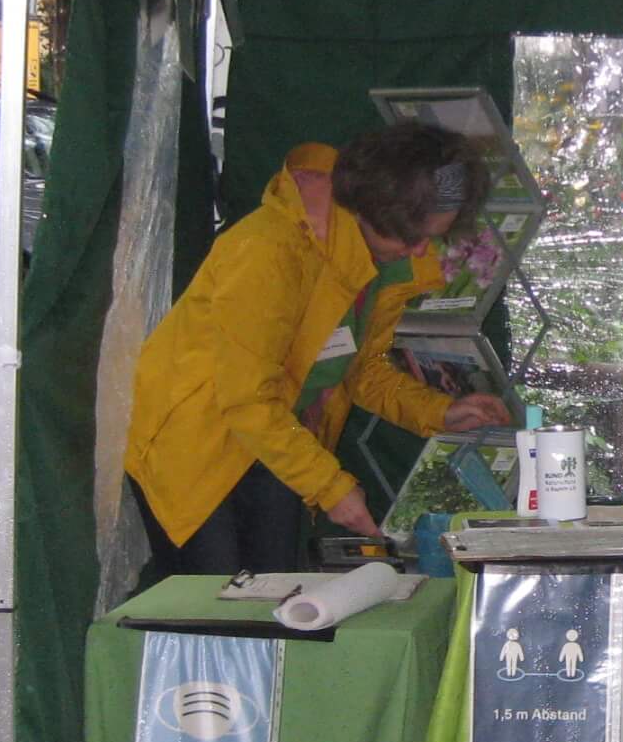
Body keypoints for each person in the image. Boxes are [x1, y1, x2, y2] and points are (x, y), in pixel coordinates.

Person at [124, 122, 510, 575]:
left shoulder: (384, 255)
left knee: (276, 596)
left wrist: (442, 412)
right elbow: (247, 400)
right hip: (196, 446)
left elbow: (359, 370)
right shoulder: (266, 250)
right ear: (374, 208)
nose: (421, 248)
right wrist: (330, 487)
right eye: (410, 236)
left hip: (277, 441)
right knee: (220, 615)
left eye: (432, 236)